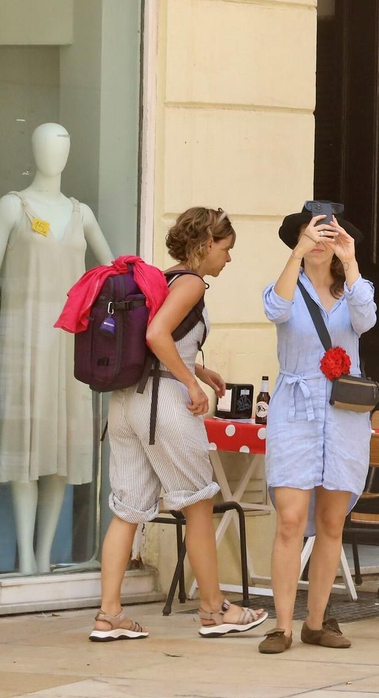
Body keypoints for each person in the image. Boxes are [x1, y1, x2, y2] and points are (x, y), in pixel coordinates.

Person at [92, 207, 267, 642]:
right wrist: (191, 383)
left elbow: (158, 340)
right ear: (207, 245)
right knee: (198, 508)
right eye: (226, 250)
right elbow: (156, 335)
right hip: (164, 406)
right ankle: (214, 609)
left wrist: (198, 370)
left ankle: (109, 615)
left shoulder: (162, 280)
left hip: (127, 404)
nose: (228, 259)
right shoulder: (190, 283)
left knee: (127, 510)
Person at [258, 203, 376, 654]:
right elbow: (275, 308)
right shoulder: (287, 285)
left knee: (331, 522)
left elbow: (366, 321)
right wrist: (298, 253)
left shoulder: (355, 292)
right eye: (315, 233)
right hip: (295, 412)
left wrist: (350, 260)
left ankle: (317, 621)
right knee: (290, 521)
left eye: (331, 233)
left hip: (344, 416)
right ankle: (281, 626)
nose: (322, 241)